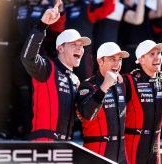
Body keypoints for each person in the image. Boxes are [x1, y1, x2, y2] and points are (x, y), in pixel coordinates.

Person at [20, 0, 91, 141]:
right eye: (74, 44)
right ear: (60, 48)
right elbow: (27, 57)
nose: (79, 48)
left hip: (66, 146)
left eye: (81, 45)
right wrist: (42, 25)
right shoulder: (47, 67)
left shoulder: (75, 80)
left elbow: (85, 113)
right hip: (43, 144)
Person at [76, 42, 129, 163]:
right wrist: (104, 86)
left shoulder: (121, 84)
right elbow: (87, 114)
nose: (117, 63)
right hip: (97, 153)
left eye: (119, 59)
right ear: (100, 61)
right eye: (112, 59)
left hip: (120, 154)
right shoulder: (87, 85)